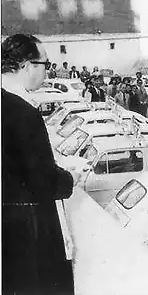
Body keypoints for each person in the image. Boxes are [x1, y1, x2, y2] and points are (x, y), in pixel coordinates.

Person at [1, 34, 81, 295]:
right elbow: (42, 181)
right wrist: (71, 178)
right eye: (45, 64)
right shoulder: (23, 112)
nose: (48, 70)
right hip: (27, 229)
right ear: (25, 66)